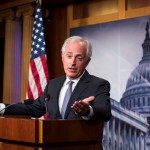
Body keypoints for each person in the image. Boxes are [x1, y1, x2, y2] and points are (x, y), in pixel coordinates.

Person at [0, 36, 111, 121]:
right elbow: (33, 109)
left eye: (79, 58)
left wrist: (88, 111)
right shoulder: (53, 85)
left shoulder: (98, 84)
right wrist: (1, 108)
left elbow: (105, 113)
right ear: (62, 58)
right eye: (69, 56)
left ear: (87, 61)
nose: (72, 62)